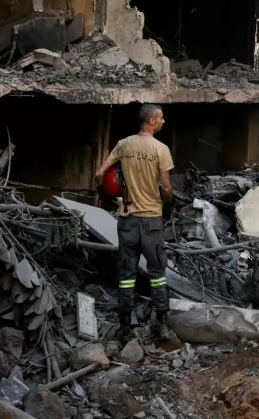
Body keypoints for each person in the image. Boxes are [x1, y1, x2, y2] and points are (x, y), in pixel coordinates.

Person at [95, 104, 174, 342]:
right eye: (160, 118)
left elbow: (100, 173)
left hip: (127, 219)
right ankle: (161, 324)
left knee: (127, 273)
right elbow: (167, 187)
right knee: (158, 273)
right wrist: (168, 207)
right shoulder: (161, 149)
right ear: (150, 121)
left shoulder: (123, 145)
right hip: (151, 220)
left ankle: (125, 326)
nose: (163, 121)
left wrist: (109, 196)